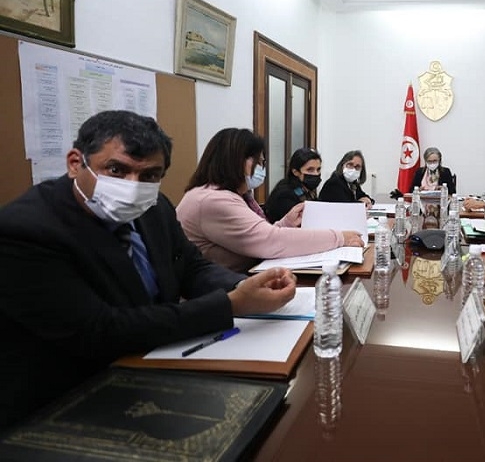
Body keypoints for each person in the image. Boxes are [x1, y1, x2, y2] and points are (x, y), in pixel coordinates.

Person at [0, 110, 299, 429]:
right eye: (116, 169)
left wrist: (249, 285)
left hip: (157, 368)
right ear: (76, 163)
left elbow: (191, 268)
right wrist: (233, 304)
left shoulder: (154, 207)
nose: (132, 186)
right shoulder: (25, 231)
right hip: (64, 402)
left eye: (149, 176)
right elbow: (100, 330)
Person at [176, 129, 364, 273]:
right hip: (218, 294)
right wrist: (339, 237)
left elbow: (256, 237)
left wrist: (285, 223)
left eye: (263, 163)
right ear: (233, 161)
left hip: (237, 281)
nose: (261, 169)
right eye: (257, 162)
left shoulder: (237, 196)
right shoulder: (212, 200)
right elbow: (270, 241)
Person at [265, 147, 322, 223]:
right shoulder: (285, 194)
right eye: (310, 170)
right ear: (295, 172)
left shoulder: (306, 189)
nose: (316, 174)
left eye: (318, 169)